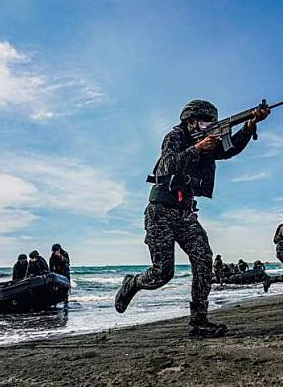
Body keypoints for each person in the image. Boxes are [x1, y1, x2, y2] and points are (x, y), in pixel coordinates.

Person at [114, 98, 270, 337]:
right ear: (191, 120)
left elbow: (231, 149)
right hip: (160, 212)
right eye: (206, 120)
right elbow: (166, 166)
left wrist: (249, 126)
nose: (210, 124)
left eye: (212, 121)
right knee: (162, 273)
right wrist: (198, 148)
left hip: (186, 213)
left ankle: (199, 321)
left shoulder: (211, 142)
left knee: (204, 259)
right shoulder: (174, 137)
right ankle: (133, 283)